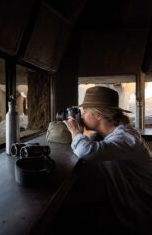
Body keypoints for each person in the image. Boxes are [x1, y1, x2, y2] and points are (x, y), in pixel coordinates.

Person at [63, 86, 152, 235]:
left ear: (98, 115)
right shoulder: (111, 135)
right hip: (133, 205)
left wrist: (75, 131)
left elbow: (86, 151)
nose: (82, 115)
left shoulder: (125, 137)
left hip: (145, 208)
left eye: (85, 111)